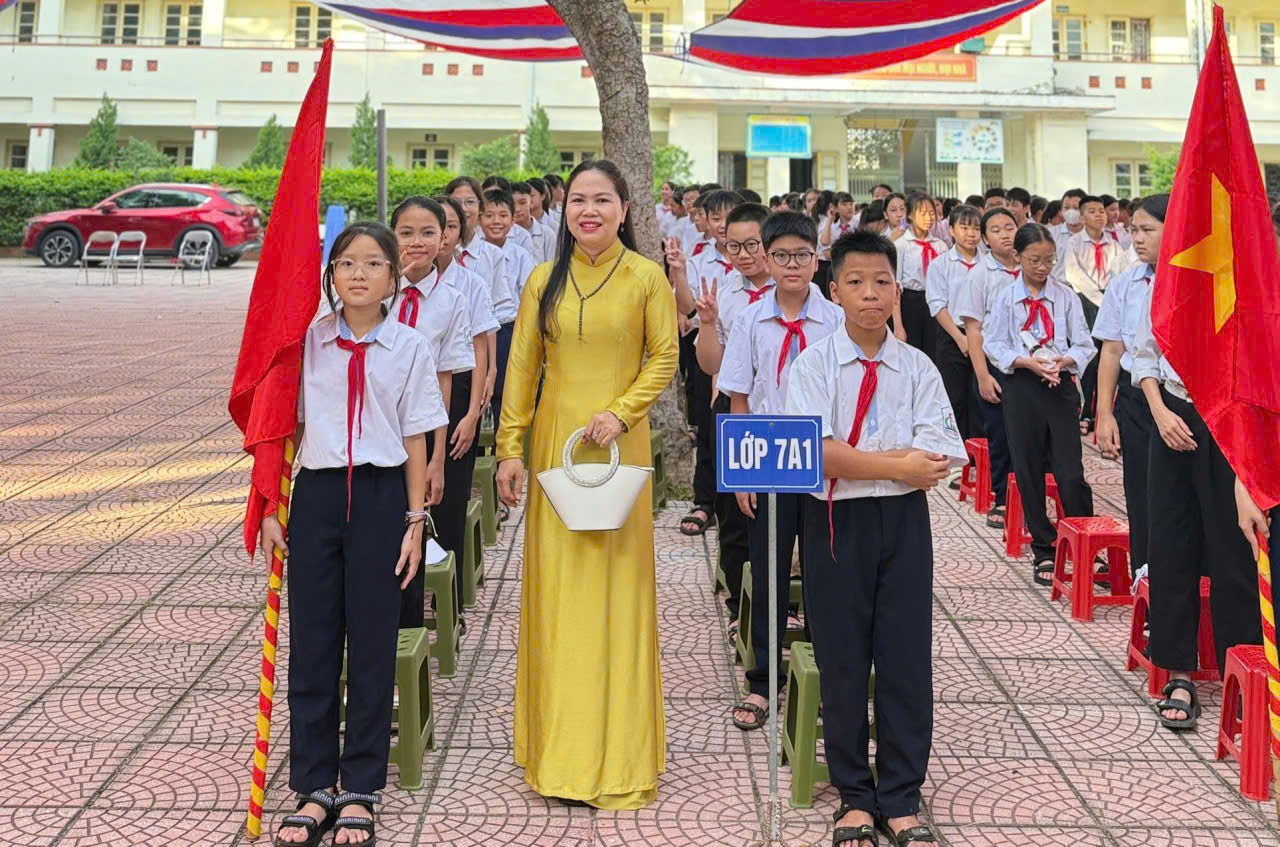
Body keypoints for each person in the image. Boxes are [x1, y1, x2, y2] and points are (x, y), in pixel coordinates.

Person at [493, 159, 678, 809]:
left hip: (618, 449)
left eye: (603, 199)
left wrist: (623, 410)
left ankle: (619, 756)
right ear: (564, 209)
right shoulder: (543, 280)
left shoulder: (646, 278)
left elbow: (665, 356)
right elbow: (521, 371)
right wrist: (509, 449)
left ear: (625, 210)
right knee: (558, 595)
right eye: (578, 200)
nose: (589, 210)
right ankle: (557, 753)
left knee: (618, 594)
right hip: (555, 448)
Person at [265, 222, 444, 847]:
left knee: (371, 642)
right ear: (330, 275)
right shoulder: (307, 344)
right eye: (345, 264)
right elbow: (280, 429)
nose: (359, 274)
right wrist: (270, 507)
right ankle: (314, 786)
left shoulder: (411, 347)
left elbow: (418, 437)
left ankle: (361, 786)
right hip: (315, 495)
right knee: (312, 641)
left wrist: (415, 520)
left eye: (373, 263)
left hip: (380, 496)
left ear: (393, 277)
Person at [786, 229, 964, 847]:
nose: (870, 294)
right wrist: (894, 463)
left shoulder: (917, 367)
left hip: (903, 524)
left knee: (905, 654)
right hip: (835, 522)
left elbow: (937, 455)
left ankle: (901, 794)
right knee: (841, 655)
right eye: (856, 282)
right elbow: (816, 455)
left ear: (897, 288)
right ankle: (855, 796)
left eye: (882, 282)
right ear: (832, 291)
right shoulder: (811, 366)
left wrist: (866, 459)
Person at [718, 211, 845, 732]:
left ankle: (820, 675)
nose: (793, 265)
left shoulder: (835, 319)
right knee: (769, 568)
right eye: (782, 255)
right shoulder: (751, 319)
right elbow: (739, 395)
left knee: (824, 567)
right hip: (771, 456)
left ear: (817, 260)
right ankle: (764, 680)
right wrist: (744, 473)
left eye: (803, 255)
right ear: (766, 260)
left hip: (822, 456)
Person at [1135, 247, 1264, 731]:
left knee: (1234, 550)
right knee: (1171, 546)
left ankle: (1242, 673)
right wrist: (1161, 412)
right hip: (1173, 418)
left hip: (1232, 421)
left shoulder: (1253, 290)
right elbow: (1143, 356)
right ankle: (1179, 672)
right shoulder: (1173, 283)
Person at [984, 223, 1095, 585]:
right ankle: (1045, 549)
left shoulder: (1065, 297)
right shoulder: (1005, 298)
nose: (1043, 268)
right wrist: (1026, 362)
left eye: (1049, 260)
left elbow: (1084, 344)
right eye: (1035, 260)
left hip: (1059, 385)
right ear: (1018, 257)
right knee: (1028, 468)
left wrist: (1063, 362)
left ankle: (1083, 540)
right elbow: (994, 343)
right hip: (1022, 386)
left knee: (1069, 471)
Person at [687, 201, 771, 643]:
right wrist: (706, 323)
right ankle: (742, 607)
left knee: (786, 514)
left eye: (751, 244)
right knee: (736, 515)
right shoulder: (724, 290)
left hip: (783, 418)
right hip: (735, 411)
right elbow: (710, 363)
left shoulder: (794, 287)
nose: (742, 254)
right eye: (733, 245)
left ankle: (788, 605)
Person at [389, 196, 473, 627]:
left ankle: (411, 624)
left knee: (415, 520)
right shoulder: (375, 291)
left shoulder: (452, 300)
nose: (416, 242)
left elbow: (444, 383)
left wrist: (437, 458)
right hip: (376, 429)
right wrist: (390, 288)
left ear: (445, 238)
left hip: (419, 432)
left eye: (427, 233)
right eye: (406, 233)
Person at [1094, 194, 1165, 581]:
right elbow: (1111, 349)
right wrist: (1105, 413)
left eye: (1147, 230)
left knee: (1178, 501)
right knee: (1141, 497)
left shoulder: (1191, 281)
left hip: (1179, 400)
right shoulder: (1126, 283)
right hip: (1136, 399)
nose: (1137, 238)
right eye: (1133, 230)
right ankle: (1148, 585)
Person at [669, 189, 741, 537]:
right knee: (708, 429)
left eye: (731, 217)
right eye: (716, 218)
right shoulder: (701, 258)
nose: (724, 225)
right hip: (710, 351)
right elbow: (686, 306)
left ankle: (738, 500)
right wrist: (680, 272)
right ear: (706, 223)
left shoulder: (760, 260)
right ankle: (705, 501)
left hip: (747, 361)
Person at [957, 208, 1021, 530]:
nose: (1005, 234)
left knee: (1033, 437)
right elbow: (973, 329)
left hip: (1029, 364)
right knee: (1000, 434)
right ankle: (1001, 497)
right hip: (994, 367)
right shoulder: (979, 275)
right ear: (985, 239)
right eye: (996, 230)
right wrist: (982, 376)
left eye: (1009, 227)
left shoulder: (1031, 268)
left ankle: (1029, 496)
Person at [1059, 194, 1123, 435]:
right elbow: (1074, 276)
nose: (1099, 215)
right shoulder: (1074, 243)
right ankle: (1084, 411)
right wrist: (1100, 299)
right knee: (1089, 357)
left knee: (1110, 356)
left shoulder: (1114, 244)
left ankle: (1103, 412)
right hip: (1086, 300)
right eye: (1093, 211)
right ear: (1082, 216)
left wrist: (1110, 299)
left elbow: (1120, 272)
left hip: (1109, 298)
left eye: (1102, 211)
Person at [926, 203, 984, 442]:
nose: (971, 234)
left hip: (983, 337)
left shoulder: (989, 263)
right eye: (964, 227)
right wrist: (960, 338)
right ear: (950, 230)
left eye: (976, 228)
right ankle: (955, 454)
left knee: (981, 397)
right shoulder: (941, 264)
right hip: (953, 336)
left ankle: (981, 453)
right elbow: (937, 304)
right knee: (954, 397)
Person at [481, 186, 537, 428]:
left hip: (507, 328)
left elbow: (529, 294)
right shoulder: (471, 254)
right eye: (489, 215)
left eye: (503, 215)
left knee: (502, 390)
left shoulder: (520, 254)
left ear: (513, 219)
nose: (496, 221)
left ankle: (500, 444)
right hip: (478, 331)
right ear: (479, 219)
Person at [894, 192, 945, 355]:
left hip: (936, 303)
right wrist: (898, 325)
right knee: (911, 352)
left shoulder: (940, 246)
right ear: (909, 215)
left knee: (934, 351)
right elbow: (895, 286)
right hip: (910, 302)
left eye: (931, 213)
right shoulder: (901, 245)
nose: (929, 218)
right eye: (922, 214)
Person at [819, 192, 856, 298]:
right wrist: (830, 219)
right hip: (836, 269)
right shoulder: (833, 227)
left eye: (851, 204)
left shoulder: (858, 224)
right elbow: (825, 247)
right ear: (835, 208)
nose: (850, 207)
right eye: (844, 204)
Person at [512, 181, 554, 264]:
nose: (517, 209)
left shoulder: (547, 234)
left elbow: (552, 266)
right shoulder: (504, 235)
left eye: (522, 203)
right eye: (512, 204)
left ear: (531, 203)